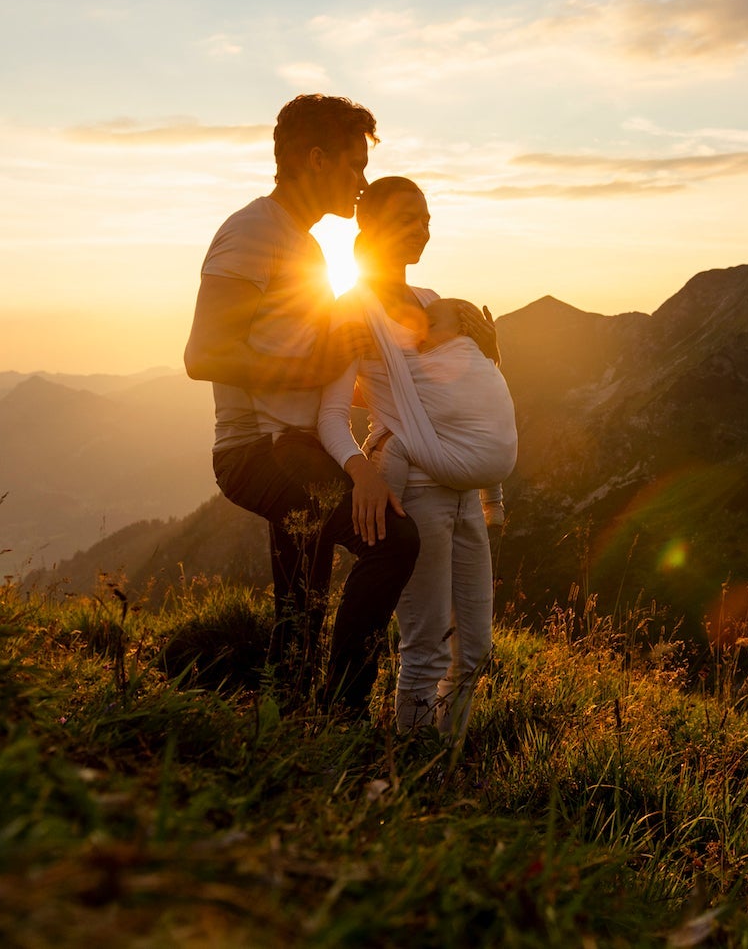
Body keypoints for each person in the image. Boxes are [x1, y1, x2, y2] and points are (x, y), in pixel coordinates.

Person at [184, 95, 420, 715]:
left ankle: (290, 717)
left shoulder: (304, 246)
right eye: (354, 165)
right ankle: (343, 713)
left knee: (303, 604)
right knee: (393, 542)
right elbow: (203, 353)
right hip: (259, 449)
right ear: (316, 159)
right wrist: (313, 366)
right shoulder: (252, 230)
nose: (362, 182)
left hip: (296, 444)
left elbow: (302, 366)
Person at [317, 176, 514, 735]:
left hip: (464, 492)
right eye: (407, 218)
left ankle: (446, 753)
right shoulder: (352, 310)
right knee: (425, 645)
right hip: (417, 493)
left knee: (474, 649)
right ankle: (414, 763)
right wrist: (362, 474)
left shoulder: (432, 302)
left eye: (426, 218)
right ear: (370, 227)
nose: (421, 230)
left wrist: (490, 350)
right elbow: (331, 415)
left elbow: (464, 388)